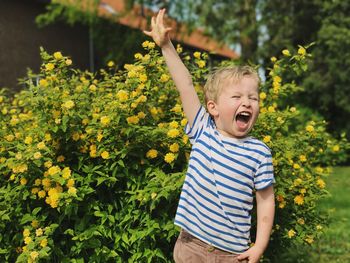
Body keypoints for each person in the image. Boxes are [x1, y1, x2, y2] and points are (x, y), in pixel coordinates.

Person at [144, 9, 275, 263]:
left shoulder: (259, 152)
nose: (246, 103)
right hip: (191, 246)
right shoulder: (203, 130)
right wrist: (166, 45)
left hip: (233, 255)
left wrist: (259, 246)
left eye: (253, 98)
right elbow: (184, 84)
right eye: (236, 97)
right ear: (213, 108)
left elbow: (266, 201)